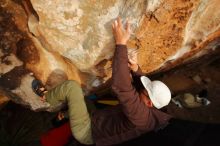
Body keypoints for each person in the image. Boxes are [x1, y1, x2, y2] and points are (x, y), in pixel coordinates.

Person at [34, 17, 172, 146]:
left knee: (72, 88)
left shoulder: (141, 117)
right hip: (96, 121)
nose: (140, 88)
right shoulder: (154, 109)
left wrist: (121, 44)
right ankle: (63, 115)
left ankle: (46, 98)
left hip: (86, 132)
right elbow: (138, 86)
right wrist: (135, 68)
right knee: (87, 102)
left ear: (149, 102)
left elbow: (122, 86)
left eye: (144, 91)